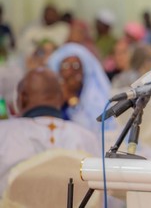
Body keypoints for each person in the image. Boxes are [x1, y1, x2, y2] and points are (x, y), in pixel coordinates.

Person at [0, 67, 101, 195]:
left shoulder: (3, 134)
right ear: (60, 98)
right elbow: (105, 198)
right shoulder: (87, 138)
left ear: (22, 98)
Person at [47, 42, 117, 134]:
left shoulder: (94, 97)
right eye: (65, 66)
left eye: (76, 66)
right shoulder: (52, 95)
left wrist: (72, 99)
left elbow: (92, 130)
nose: (71, 71)